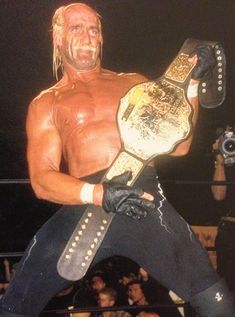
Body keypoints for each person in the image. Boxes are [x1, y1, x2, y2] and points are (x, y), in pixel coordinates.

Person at [0, 3, 234, 317]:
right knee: (16, 303)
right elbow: (42, 180)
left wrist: (191, 85)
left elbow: (179, 146)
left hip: (146, 201)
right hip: (85, 207)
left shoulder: (132, 82)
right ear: (57, 37)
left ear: (102, 38)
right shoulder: (47, 103)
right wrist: (99, 194)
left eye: (93, 29)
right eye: (76, 28)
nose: (87, 35)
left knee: (215, 298)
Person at [211, 134, 235, 294]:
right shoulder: (227, 166)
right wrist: (219, 162)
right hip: (231, 230)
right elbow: (218, 194)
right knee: (228, 280)